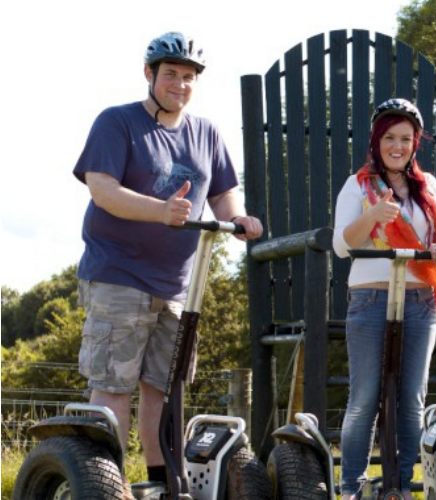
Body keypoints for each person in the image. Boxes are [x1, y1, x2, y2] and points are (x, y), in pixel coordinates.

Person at [73, 31, 263, 494]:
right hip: (118, 275)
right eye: (171, 75)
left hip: (179, 286)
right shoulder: (117, 122)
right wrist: (160, 211)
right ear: (149, 74)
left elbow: (222, 192)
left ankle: (163, 485)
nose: (180, 84)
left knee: (164, 390)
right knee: (114, 386)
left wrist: (237, 217)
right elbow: (102, 189)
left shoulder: (206, 133)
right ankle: (106, 485)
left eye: (189, 77)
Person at [332, 98, 436, 500]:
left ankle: (401, 487)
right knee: (364, 397)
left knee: (412, 398)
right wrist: (372, 216)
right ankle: (351, 488)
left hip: (420, 298)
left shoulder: (428, 186)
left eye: (405, 138)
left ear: (415, 143)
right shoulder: (358, 186)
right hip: (371, 298)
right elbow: (341, 246)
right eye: (390, 137)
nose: (397, 146)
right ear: (376, 140)